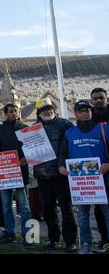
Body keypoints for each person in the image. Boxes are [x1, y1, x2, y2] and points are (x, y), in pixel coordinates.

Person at [58, 100, 109, 254]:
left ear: (91, 112)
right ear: (76, 113)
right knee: (82, 215)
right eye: (81, 111)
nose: (85, 113)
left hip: (103, 181)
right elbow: (62, 154)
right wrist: (61, 166)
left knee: (107, 214)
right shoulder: (69, 133)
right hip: (80, 183)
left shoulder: (104, 128)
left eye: (87, 110)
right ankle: (86, 243)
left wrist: (108, 163)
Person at [32, 98, 77, 252]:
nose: (48, 111)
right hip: (42, 176)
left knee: (66, 209)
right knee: (48, 210)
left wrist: (66, 166)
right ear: (39, 113)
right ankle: (54, 239)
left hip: (60, 175)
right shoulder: (33, 129)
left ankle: (70, 241)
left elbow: (71, 147)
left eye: (50, 108)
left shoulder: (65, 124)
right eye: (44, 109)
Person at [0, 104, 32, 244]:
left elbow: (31, 148)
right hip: (5, 172)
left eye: (15, 111)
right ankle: (10, 233)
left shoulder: (25, 128)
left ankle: (27, 234)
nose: (14, 113)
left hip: (21, 172)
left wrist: (26, 158)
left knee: (24, 205)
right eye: (10, 111)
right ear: (5, 114)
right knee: (6, 205)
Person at [90, 87, 109, 253]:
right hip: (98, 172)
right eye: (95, 98)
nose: (98, 100)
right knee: (100, 208)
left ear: (106, 98)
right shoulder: (89, 120)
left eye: (101, 98)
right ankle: (105, 240)